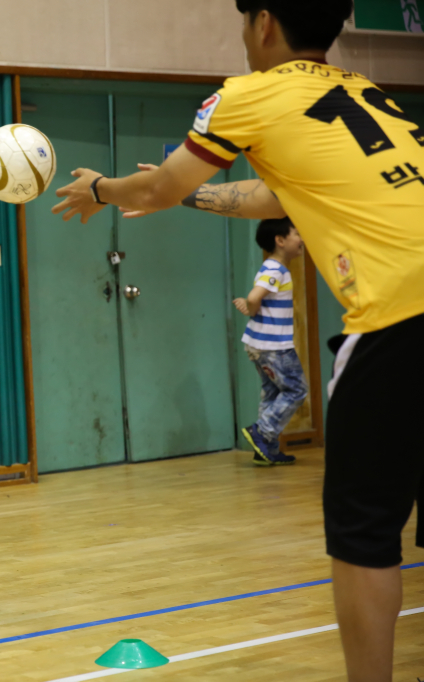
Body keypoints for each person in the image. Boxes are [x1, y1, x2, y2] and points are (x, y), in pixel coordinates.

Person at [50, 1, 423, 678]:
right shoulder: (367, 92)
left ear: (264, 24)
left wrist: (101, 187)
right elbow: (274, 196)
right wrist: (191, 197)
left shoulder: (245, 96)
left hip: (402, 318)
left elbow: (163, 183)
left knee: (364, 538)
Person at [233, 218, 308, 466]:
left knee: (273, 393)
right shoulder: (277, 269)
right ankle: (262, 432)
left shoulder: (269, 267)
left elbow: (256, 298)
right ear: (280, 240)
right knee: (297, 389)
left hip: (258, 345)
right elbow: (255, 296)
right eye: (297, 233)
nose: (302, 239)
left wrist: (252, 306)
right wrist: (251, 306)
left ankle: (267, 450)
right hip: (274, 346)